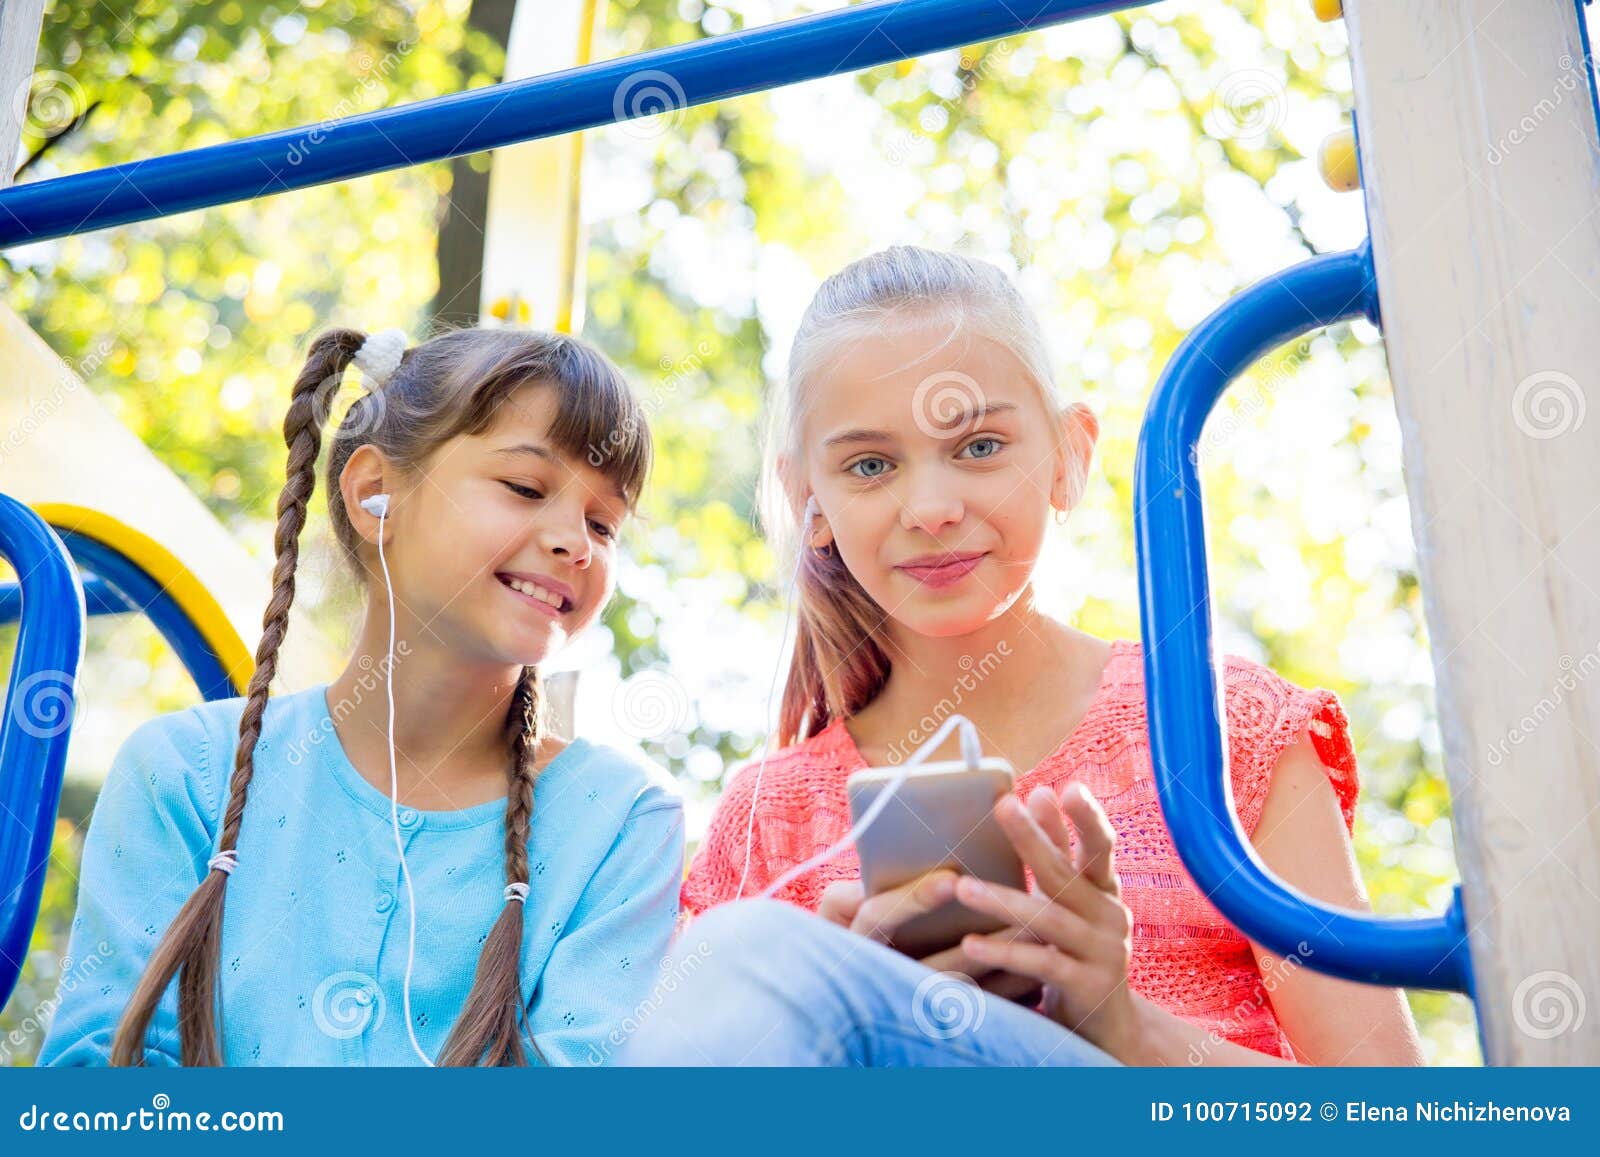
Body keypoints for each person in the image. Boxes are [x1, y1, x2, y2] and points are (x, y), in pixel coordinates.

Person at [620, 246, 1423, 1067]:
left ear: (1070, 456)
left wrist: (1120, 1023)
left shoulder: (1219, 727)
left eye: (978, 447)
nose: (931, 508)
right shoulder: (764, 820)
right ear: (808, 501)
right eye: (870, 464)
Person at [40, 327, 683, 1066]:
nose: (576, 540)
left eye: (605, 523)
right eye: (526, 488)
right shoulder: (183, 771)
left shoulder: (623, 824)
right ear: (376, 492)